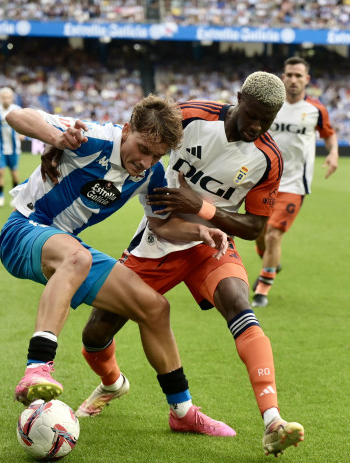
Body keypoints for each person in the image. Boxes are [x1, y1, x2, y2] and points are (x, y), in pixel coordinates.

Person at [44, 72, 305, 457]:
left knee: (239, 305)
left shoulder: (268, 159)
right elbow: (133, 137)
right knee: (94, 336)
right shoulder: (192, 116)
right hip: (159, 236)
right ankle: (113, 383)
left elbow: (254, 227)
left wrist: (201, 208)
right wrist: (61, 146)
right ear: (237, 99)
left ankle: (273, 421)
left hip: (210, 243)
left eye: (266, 121)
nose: (256, 126)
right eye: (251, 115)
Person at [0, 94, 237, 437]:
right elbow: (18, 116)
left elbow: (160, 225)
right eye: (142, 149)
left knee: (154, 307)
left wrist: (200, 231)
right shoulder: (93, 138)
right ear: (126, 130)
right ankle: (37, 368)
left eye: (156, 155)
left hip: (69, 248)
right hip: (23, 230)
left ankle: (182, 411)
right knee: (76, 256)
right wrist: (57, 138)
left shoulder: (151, 174)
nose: (146, 161)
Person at [252, 56, 339, 308]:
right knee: (259, 233)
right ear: (282, 76)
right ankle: (271, 262)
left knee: (273, 236)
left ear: (307, 80)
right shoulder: (270, 105)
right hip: (263, 181)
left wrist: (333, 153)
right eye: (289, 74)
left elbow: (329, 136)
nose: (293, 79)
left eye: (298, 76)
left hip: (294, 185)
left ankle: (262, 289)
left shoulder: (316, 110)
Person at [0, 87, 23, 207]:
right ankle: (0, 197)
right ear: (0, 99)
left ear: (12, 98)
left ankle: (15, 197)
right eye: (3, 97)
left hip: (14, 148)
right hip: (0, 147)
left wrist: (22, 134)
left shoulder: (17, 110)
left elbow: (24, 124)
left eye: (8, 97)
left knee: (14, 173)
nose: (6, 100)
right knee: (0, 172)